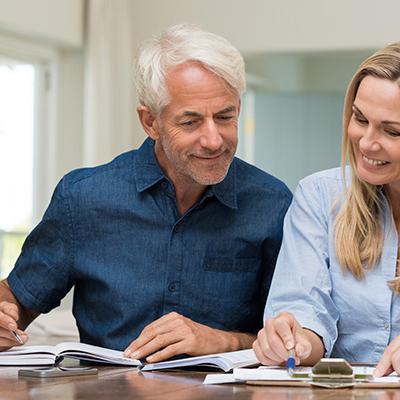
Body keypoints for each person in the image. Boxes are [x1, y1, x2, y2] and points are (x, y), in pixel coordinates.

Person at [0, 24, 292, 362]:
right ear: (150, 121)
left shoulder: (272, 204)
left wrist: (218, 341)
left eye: (225, 117)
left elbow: (289, 340)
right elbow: (20, 298)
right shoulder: (83, 197)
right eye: (190, 122)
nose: (214, 140)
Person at [253, 42, 400, 376]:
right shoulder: (319, 195)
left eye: (392, 131)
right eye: (360, 119)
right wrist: (295, 339)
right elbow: (305, 307)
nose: (366, 143)